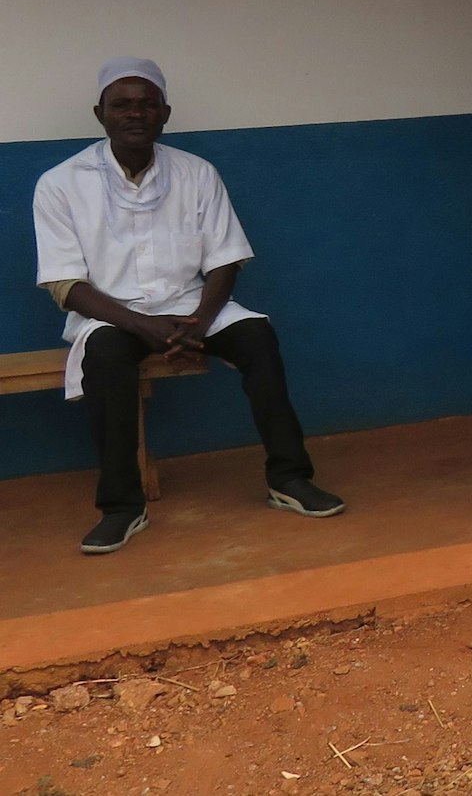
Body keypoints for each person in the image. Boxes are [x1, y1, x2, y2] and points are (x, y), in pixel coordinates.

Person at [33, 58, 345, 556]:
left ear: (165, 113)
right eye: (122, 105)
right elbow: (65, 284)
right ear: (100, 114)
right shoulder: (60, 184)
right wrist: (142, 325)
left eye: (147, 104)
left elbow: (224, 260)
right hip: (114, 314)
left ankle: (289, 478)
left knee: (258, 338)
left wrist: (198, 320)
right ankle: (121, 507)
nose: (135, 114)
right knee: (106, 359)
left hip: (192, 306)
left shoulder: (197, 173)